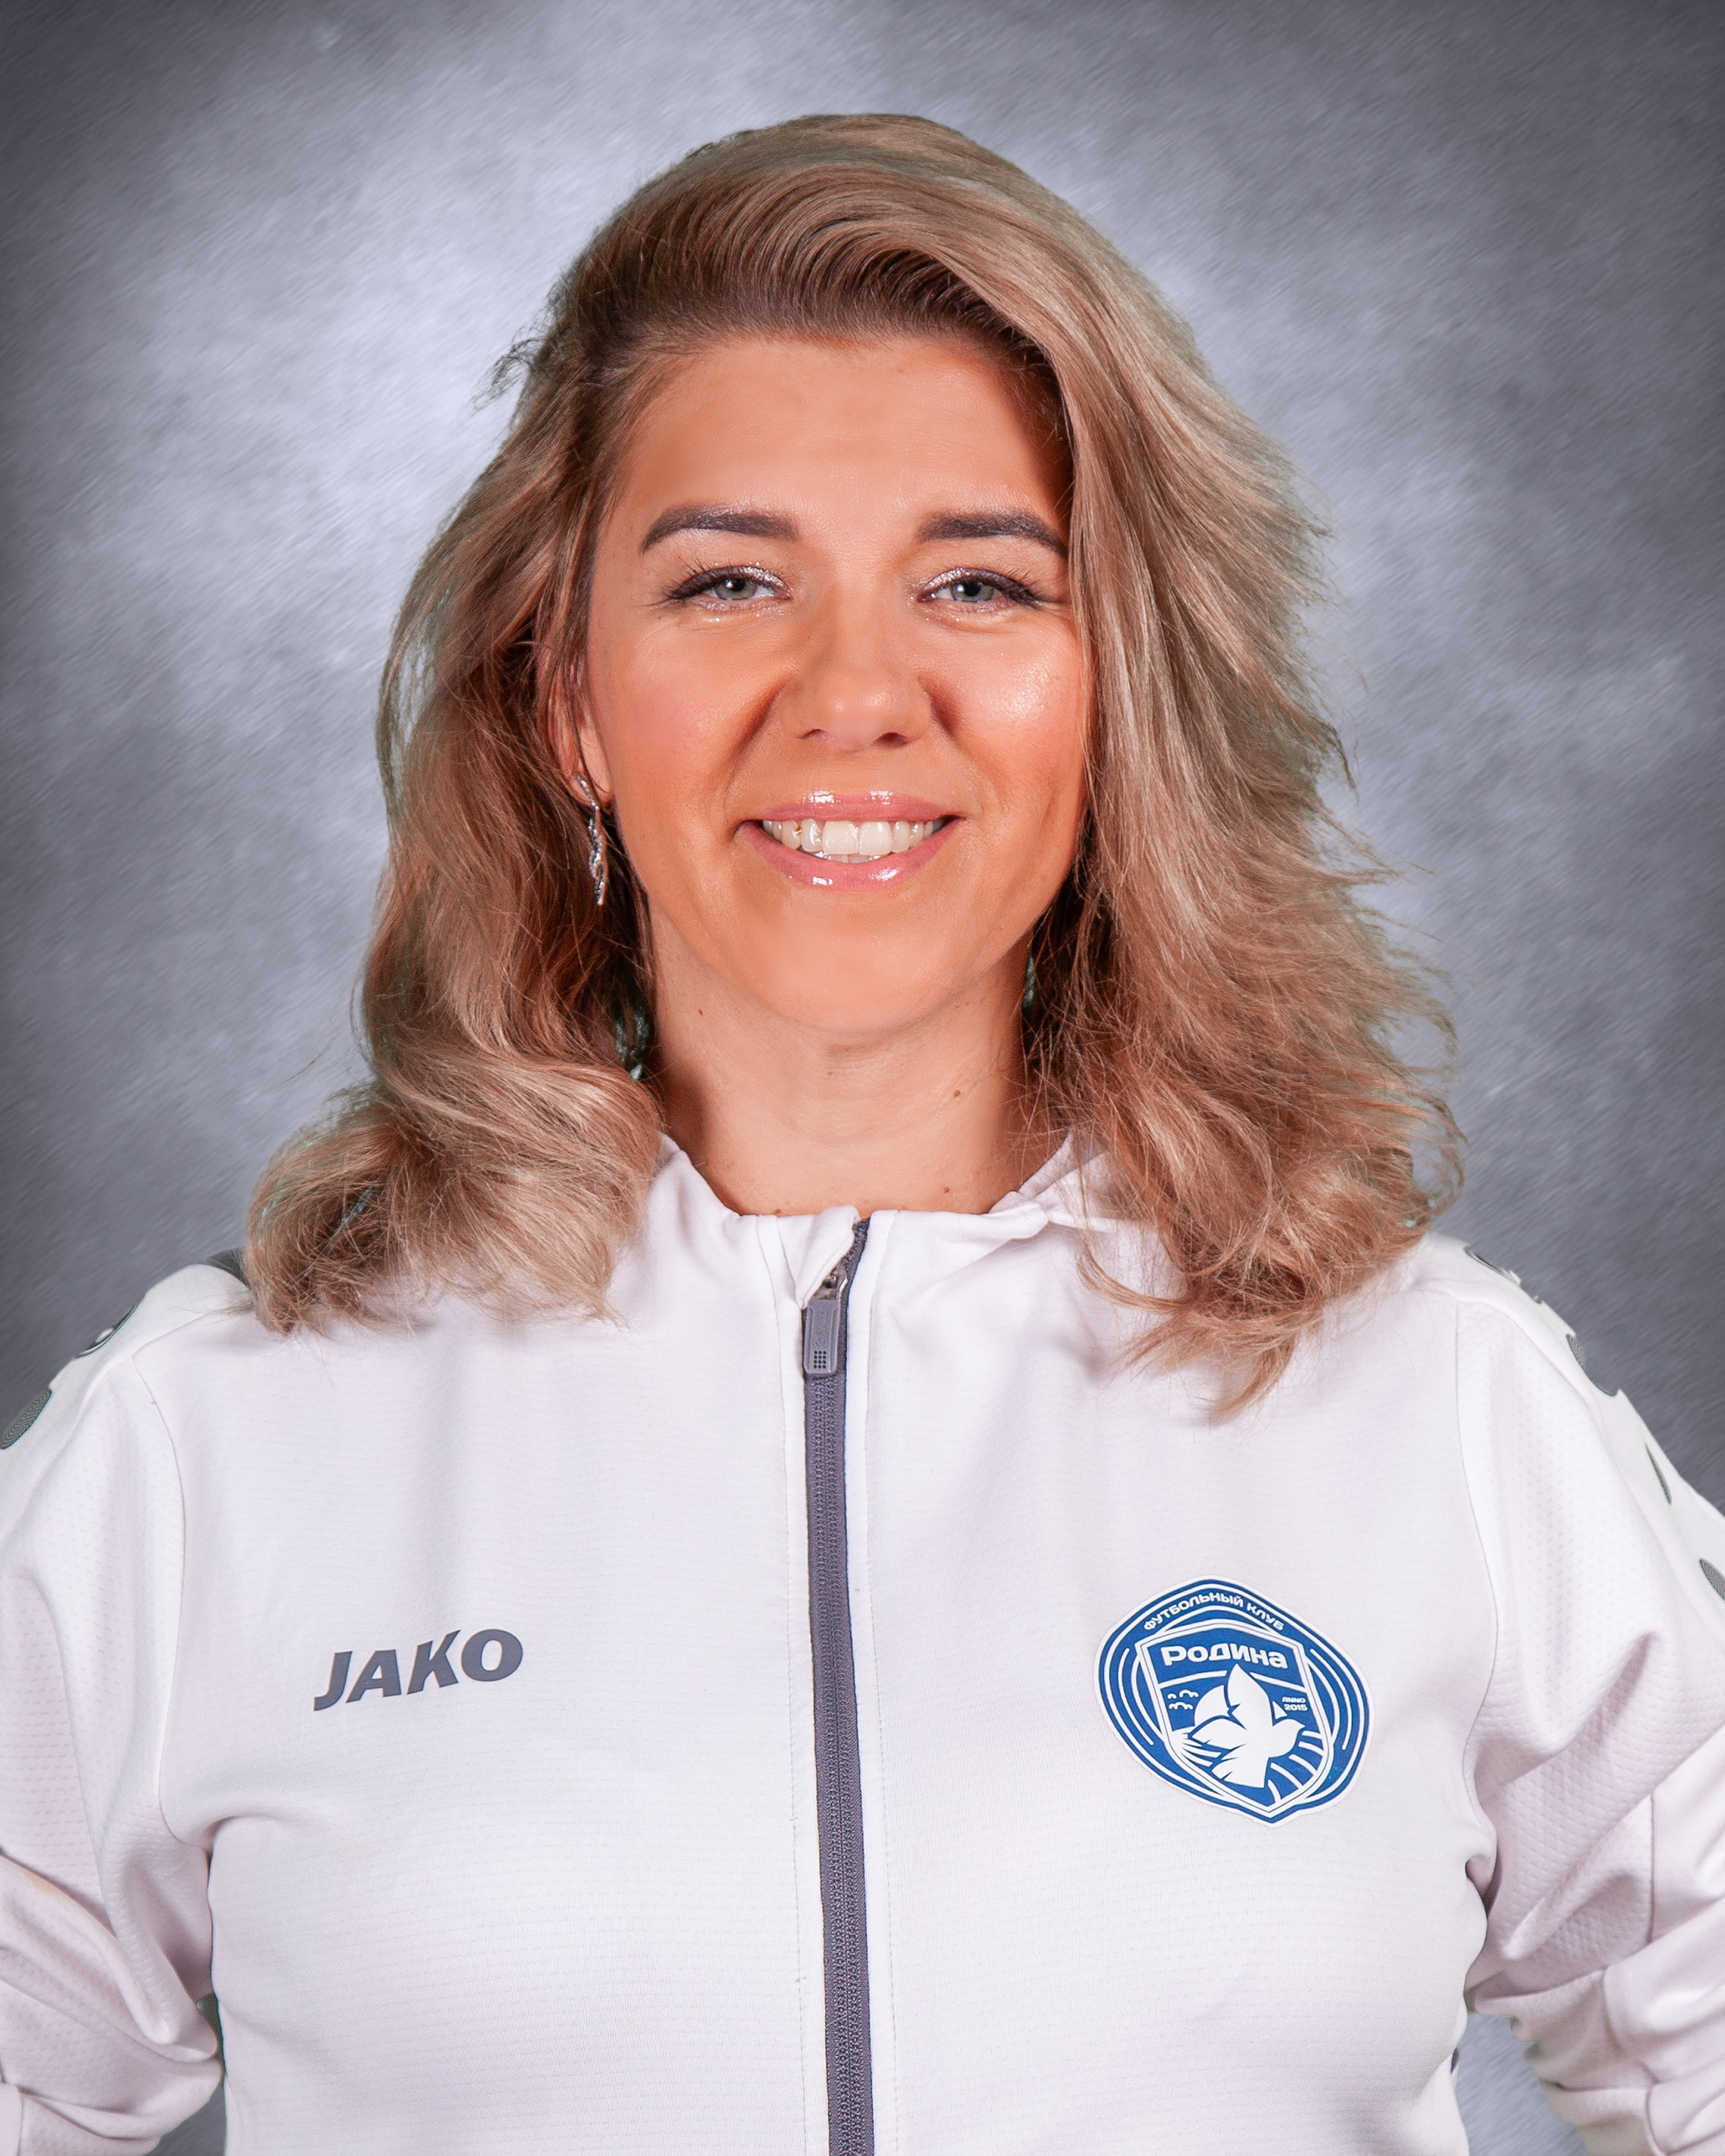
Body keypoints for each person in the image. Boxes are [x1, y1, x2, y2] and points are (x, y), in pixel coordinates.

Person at [2, 112, 1722, 2156]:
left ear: (1113, 693)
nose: (854, 694)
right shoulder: (210, 1442)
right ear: (567, 700)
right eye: (729, 580)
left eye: (977, 582)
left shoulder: (1439, 1410)